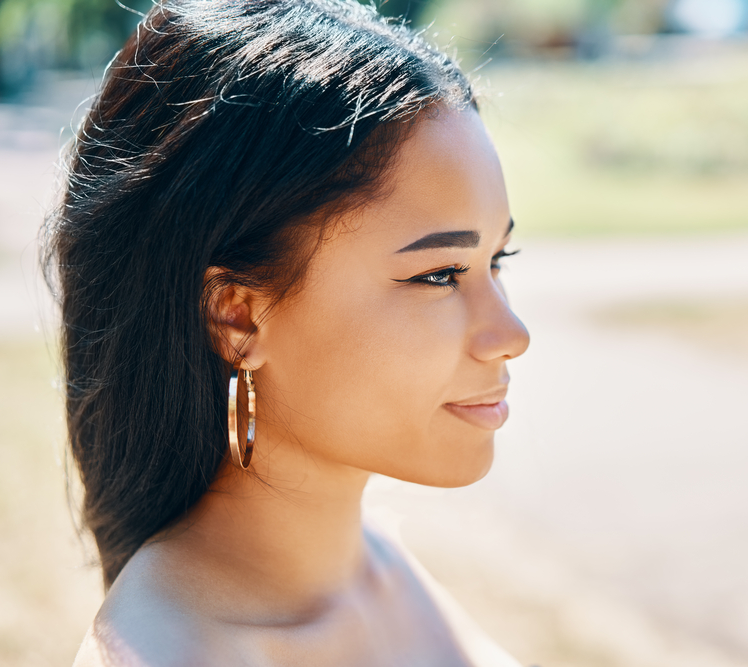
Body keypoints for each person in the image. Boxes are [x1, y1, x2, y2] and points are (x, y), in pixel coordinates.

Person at [43, 1, 530, 664]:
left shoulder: (376, 563)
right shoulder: (169, 652)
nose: (510, 332)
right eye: (440, 274)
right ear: (238, 315)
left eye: (496, 261)